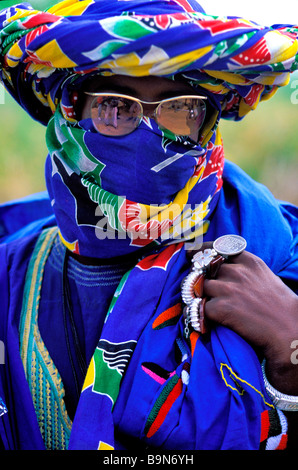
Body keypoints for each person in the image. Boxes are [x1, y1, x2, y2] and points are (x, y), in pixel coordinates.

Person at [0, 0, 297, 451]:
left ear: (208, 125)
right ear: (70, 114)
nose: (149, 134)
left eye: (181, 110)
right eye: (114, 107)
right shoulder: (10, 276)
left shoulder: (280, 259)